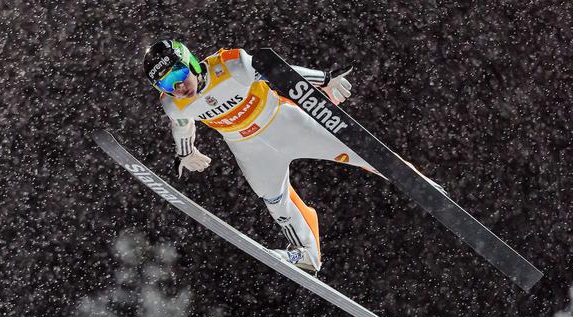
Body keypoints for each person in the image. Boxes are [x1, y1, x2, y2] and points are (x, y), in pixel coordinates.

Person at [142, 40, 437, 273]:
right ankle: (307, 255)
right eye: (169, 84)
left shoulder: (230, 66)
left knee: (358, 150)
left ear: (190, 62)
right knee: (274, 201)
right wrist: (185, 153)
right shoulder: (175, 105)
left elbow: (279, 71)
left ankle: (419, 182)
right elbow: (182, 125)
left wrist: (325, 79)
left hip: (284, 123)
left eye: (179, 74)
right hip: (249, 149)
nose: (179, 86)